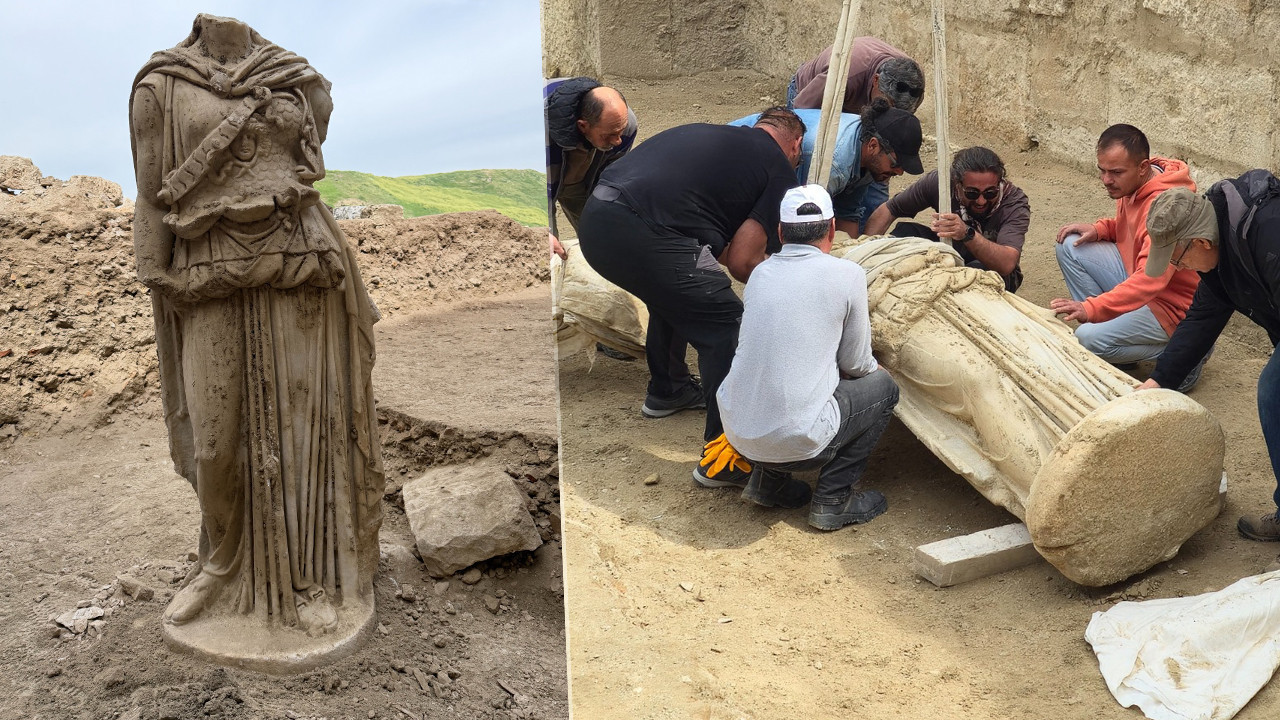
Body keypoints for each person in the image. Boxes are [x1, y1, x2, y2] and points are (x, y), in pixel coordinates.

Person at [130, 14, 384, 634]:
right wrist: (153, 271)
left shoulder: (291, 76)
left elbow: (310, 153)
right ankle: (220, 566)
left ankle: (310, 575)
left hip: (300, 258)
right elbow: (150, 193)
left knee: (304, 426)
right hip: (207, 263)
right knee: (215, 442)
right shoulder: (160, 85)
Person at [575, 108, 804, 483]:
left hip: (597, 220)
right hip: (643, 227)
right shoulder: (779, 169)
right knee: (726, 323)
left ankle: (670, 390)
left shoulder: (719, 138)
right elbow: (743, 262)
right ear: (795, 145)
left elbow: (723, 250)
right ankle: (725, 459)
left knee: (683, 293)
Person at [715, 185, 899, 530]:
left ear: (780, 232)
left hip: (738, 432)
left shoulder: (760, 274)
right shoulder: (847, 274)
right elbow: (856, 363)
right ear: (832, 229)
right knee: (884, 388)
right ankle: (833, 500)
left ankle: (767, 483)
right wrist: (879, 369)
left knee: (782, 373)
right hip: (799, 444)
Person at [1138, 177, 1280, 540]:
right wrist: (1158, 381)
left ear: (1200, 242)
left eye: (1177, 259)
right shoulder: (1220, 252)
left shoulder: (1270, 237)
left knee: (1274, 392)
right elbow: (1202, 318)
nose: (1179, 268)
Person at [1050, 124, 1205, 388]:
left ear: (1143, 167)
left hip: (1171, 307)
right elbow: (1134, 231)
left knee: (1086, 337)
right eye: (1102, 170)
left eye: (1115, 172)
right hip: (1141, 279)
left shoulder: (1166, 207)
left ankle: (1186, 356)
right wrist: (1101, 229)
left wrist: (1092, 309)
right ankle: (1116, 339)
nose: (1106, 180)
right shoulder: (1133, 184)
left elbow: (1150, 279)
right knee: (1070, 245)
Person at [729, 98, 924, 236]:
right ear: (873, 145)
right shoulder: (834, 163)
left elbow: (848, 212)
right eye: (896, 163)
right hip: (736, 161)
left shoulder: (867, 151)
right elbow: (797, 220)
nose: (900, 172)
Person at [863, 146, 1030, 292]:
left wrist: (966, 233)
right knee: (906, 234)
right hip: (949, 249)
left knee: (976, 274)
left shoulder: (1014, 202)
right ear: (957, 184)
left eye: (990, 193)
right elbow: (888, 210)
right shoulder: (941, 182)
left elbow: (1006, 264)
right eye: (972, 193)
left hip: (991, 266)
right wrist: (864, 252)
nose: (981, 201)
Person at [544, 77, 636, 260]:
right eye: (609, 135)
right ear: (583, 126)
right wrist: (541, 232)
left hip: (579, 171)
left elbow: (610, 182)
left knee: (605, 239)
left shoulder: (623, 125)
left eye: (620, 132)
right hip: (539, 173)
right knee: (544, 249)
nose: (618, 141)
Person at [787, 37, 924, 115]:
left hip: (853, 99)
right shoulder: (844, 74)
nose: (889, 114)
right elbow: (801, 112)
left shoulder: (915, 84)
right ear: (876, 80)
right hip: (809, 95)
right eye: (886, 105)